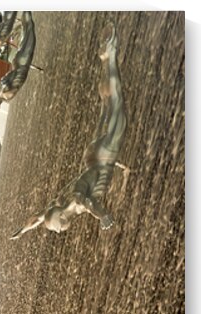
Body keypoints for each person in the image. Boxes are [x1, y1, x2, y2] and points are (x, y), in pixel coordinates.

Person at [11, 23, 127, 238]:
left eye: (55, 227)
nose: (57, 230)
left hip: (104, 156)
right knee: (108, 107)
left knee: (117, 108)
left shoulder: (73, 201)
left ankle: (110, 55)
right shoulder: (59, 203)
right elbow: (37, 217)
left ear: (60, 218)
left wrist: (102, 215)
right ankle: (106, 61)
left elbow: (88, 201)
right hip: (94, 157)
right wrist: (23, 230)